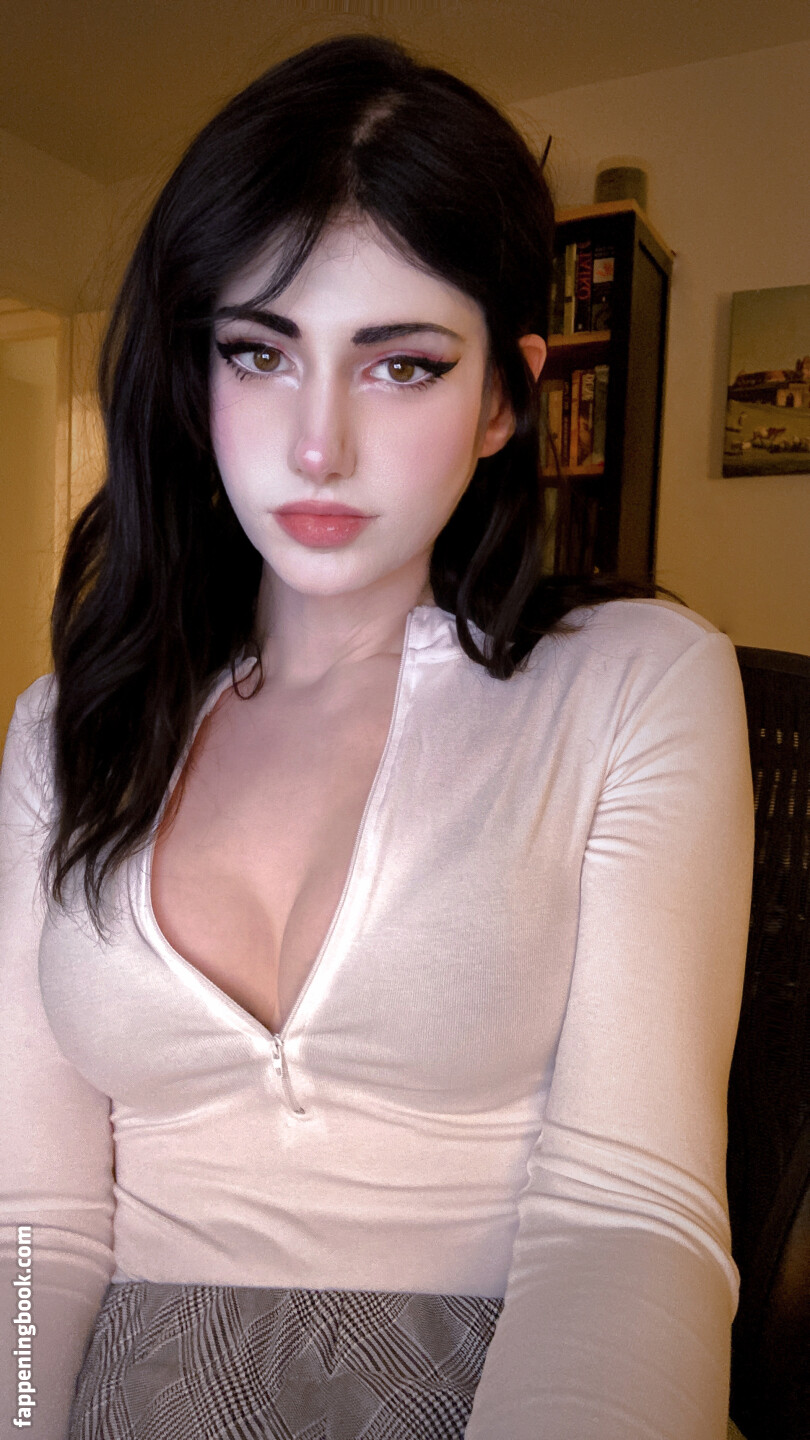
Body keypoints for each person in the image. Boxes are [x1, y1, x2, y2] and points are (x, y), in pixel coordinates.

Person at [0, 32, 754, 1440]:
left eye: (400, 365)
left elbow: (628, 1222)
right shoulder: (63, 731)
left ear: (504, 398)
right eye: (259, 352)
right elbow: (27, 1230)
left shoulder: (635, 686)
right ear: (195, 374)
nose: (316, 446)